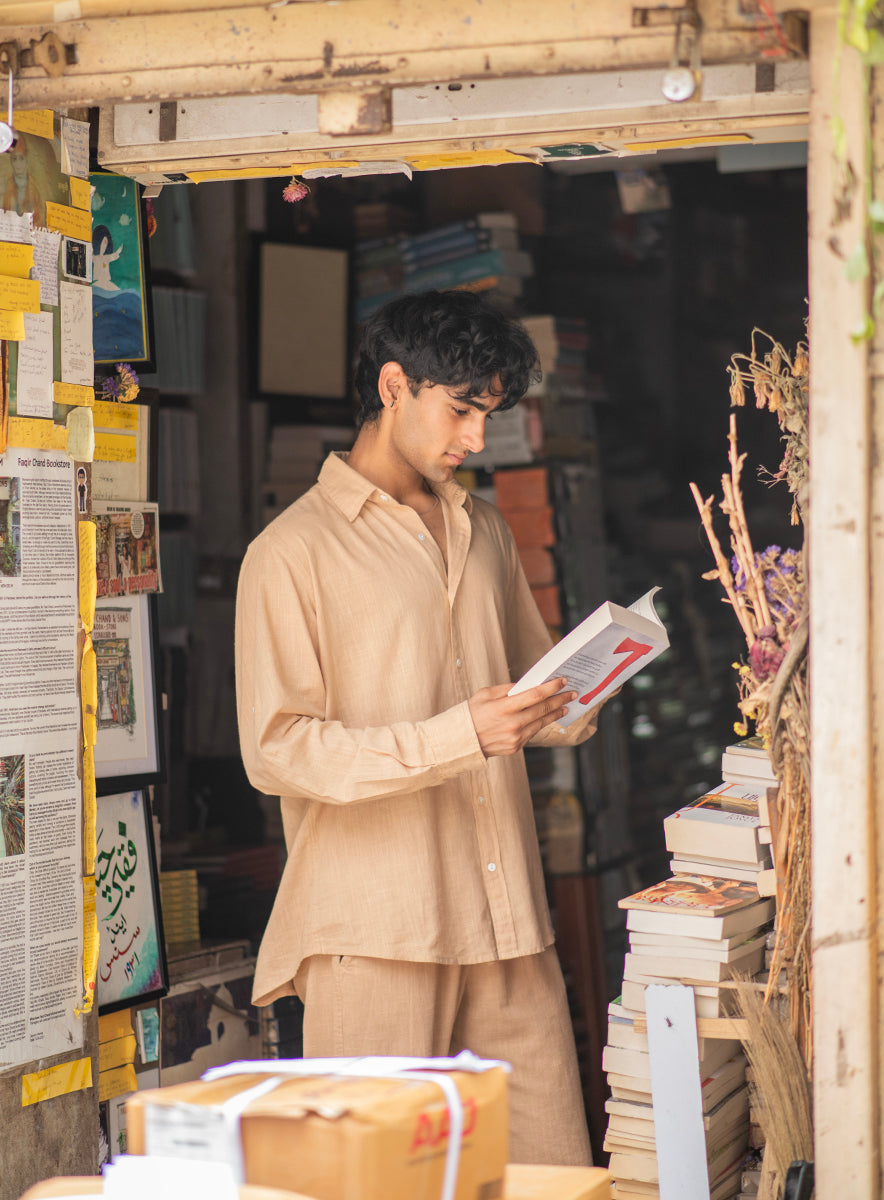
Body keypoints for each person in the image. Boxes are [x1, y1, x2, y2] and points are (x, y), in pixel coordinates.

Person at [235, 289, 613, 1166]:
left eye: (489, 413)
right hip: (376, 930)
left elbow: (529, 688)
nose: (477, 438)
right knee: (381, 1185)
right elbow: (276, 749)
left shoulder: (483, 531)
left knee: (554, 1174)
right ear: (395, 385)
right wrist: (460, 735)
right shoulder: (290, 552)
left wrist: (583, 688)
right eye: (463, 410)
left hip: (509, 916)